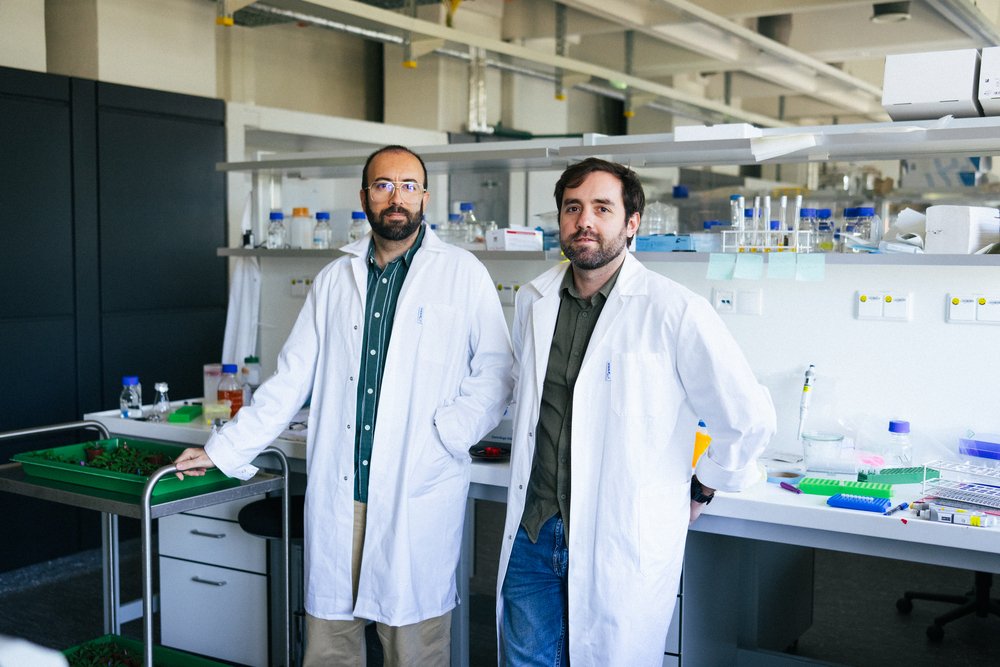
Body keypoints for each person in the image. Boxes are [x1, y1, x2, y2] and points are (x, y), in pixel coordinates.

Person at [174, 145, 513, 666]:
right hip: (342, 495)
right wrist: (223, 448)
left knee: (414, 648)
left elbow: (497, 373)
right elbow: (291, 379)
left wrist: (444, 435)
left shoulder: (462, 273)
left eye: (408, 186)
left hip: (414, 488)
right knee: (330, 646)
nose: (396, 197)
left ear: (425, 197)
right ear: (364, 196)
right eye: (383, 185)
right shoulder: (335, 279)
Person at [496, 157, 776, 666]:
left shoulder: (674, 309)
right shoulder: (534, 301)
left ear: (631, 223)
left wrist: (705, 485)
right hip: (533, 533)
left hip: (616, 539)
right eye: (572, 208)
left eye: (602, 208)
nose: (585, 221)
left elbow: (747, 418)